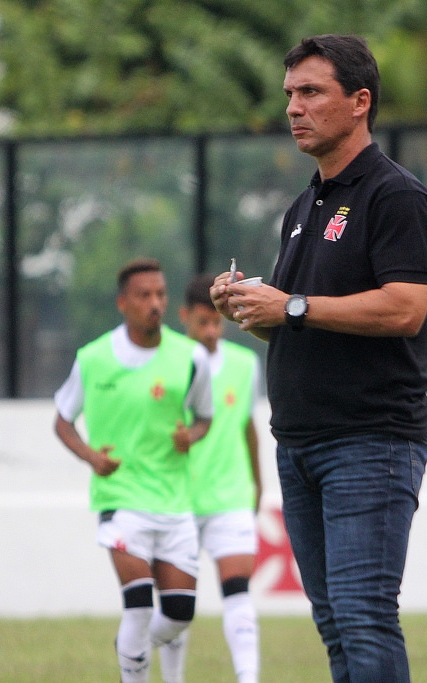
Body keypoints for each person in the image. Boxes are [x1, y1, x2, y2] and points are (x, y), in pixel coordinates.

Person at [210, 34, 427, 683]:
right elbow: (299, 317)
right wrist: (253, 308)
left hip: (369, 439)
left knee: (364, 614)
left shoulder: (394, 195)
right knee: (337, 623)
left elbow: (404, 308)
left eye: (311, 92)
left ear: (360, 102)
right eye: (290, 94)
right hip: (302, 441)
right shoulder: (302, 205)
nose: (294, 107)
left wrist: (288, 306)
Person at [53, 257, 213, 683]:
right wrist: (91, 457)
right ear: (123, 303)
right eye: (144, 295)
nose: (154, 303)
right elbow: (62, 421)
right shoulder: (93, 359)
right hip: (121, 499)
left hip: (175, 501)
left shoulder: (192, 357)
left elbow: (204, 418)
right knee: (139, 606)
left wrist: (191, 437)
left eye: (160, 294)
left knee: (179, 613)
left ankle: (131, 647)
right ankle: (134, 659)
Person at [173, 272, 263, 683]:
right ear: (184, 318)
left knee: (238, 592)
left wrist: (258, 483)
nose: (211, 331)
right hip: (177, 499)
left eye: (216, 322)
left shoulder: (245, 365)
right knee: (176, 605)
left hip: (230, 495)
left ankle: (248, 678)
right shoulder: (169, 365)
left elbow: (247, 427)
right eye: (202, 322)